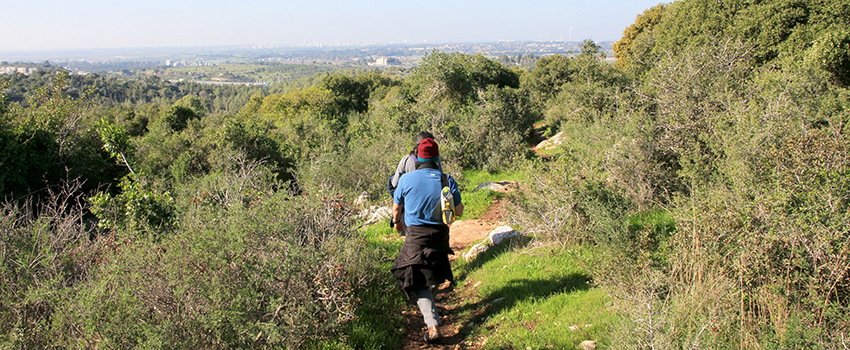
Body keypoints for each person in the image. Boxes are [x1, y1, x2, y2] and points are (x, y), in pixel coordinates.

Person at [390, 137, 463, 343]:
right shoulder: (446, 180)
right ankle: (431, 305)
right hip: (440, 235)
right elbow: (458, 210)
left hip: (415, 236)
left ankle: (432, 324)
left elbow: (396, 209)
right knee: (430, 271)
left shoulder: (406, 179)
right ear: (437, 158)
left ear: (417, 157)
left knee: (414, 278)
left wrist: (397, 223)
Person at [388, 131, 442, 235]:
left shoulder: (406, 159)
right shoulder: (436, 162)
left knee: (393, 181)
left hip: (411, 205)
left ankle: (399, 218)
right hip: (432, 207)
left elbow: (395, 184)